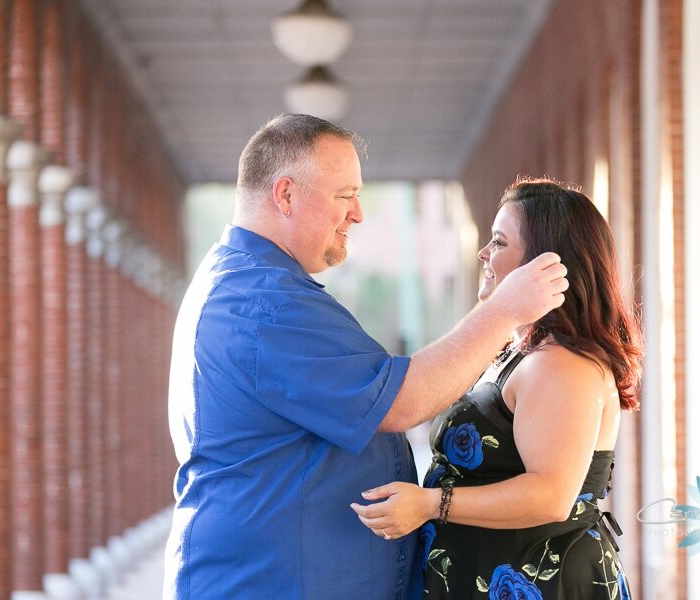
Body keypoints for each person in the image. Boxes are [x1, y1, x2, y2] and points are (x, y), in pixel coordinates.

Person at [163, 115, 569, 599]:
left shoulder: (257, 285)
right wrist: (503, 312)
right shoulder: (263, 303)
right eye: (344, 195)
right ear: (286, 194)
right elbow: (401, 401)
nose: (357, 213)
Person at [350, 177, 643, 600]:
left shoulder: (561, 365)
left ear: (546, 263)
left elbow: (551, 495)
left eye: (499, 242)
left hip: (548, 582)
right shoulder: (522, 351)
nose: (484, 253)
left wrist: (430, 504)